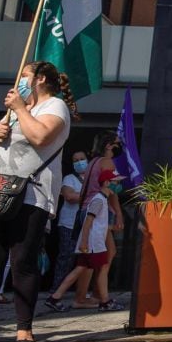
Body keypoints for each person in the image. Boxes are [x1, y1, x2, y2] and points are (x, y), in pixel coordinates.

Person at [0, 61, 76, 342]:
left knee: (23, 261)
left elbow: (40, 137)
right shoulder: (14, 110)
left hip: (30, 195)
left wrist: (21, 110)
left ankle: (24, 329)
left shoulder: (55, 107)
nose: (20, 81)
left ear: (39, 79)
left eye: (24, 76)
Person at [43, 170, 125, 311]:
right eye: (115, 182)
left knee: (80, 269)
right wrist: (84, 242)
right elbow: (88, 221)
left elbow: (97, 223)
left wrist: (111, 227)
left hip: (93, 243)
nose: (118, 185)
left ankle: (55, 297)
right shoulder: (99, 200)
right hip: (93, 244)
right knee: (101, 269)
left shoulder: (101, 200)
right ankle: (105, 301)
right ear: (106, 183)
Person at [73, 133, 125, 310]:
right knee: (93, 258)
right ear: (109, 146)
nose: (120, 146)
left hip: (88, 208)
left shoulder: (92, 163)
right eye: (117, 143)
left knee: (107, 253)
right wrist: (119, 215)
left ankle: (98, 294)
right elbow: (112, 191)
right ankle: (83, 297)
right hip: (99, 210)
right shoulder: (107, 163)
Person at [49, 150, 88, 296]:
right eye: (75, 160)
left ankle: (81, 291)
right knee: (66, 257)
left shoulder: (94, 179)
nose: (79, 162)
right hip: (69, 225)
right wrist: (92, 194)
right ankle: (56, 290)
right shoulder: (69, 179)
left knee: (86, 259)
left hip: (88, 225)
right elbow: (69, 196)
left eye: (82, 159)